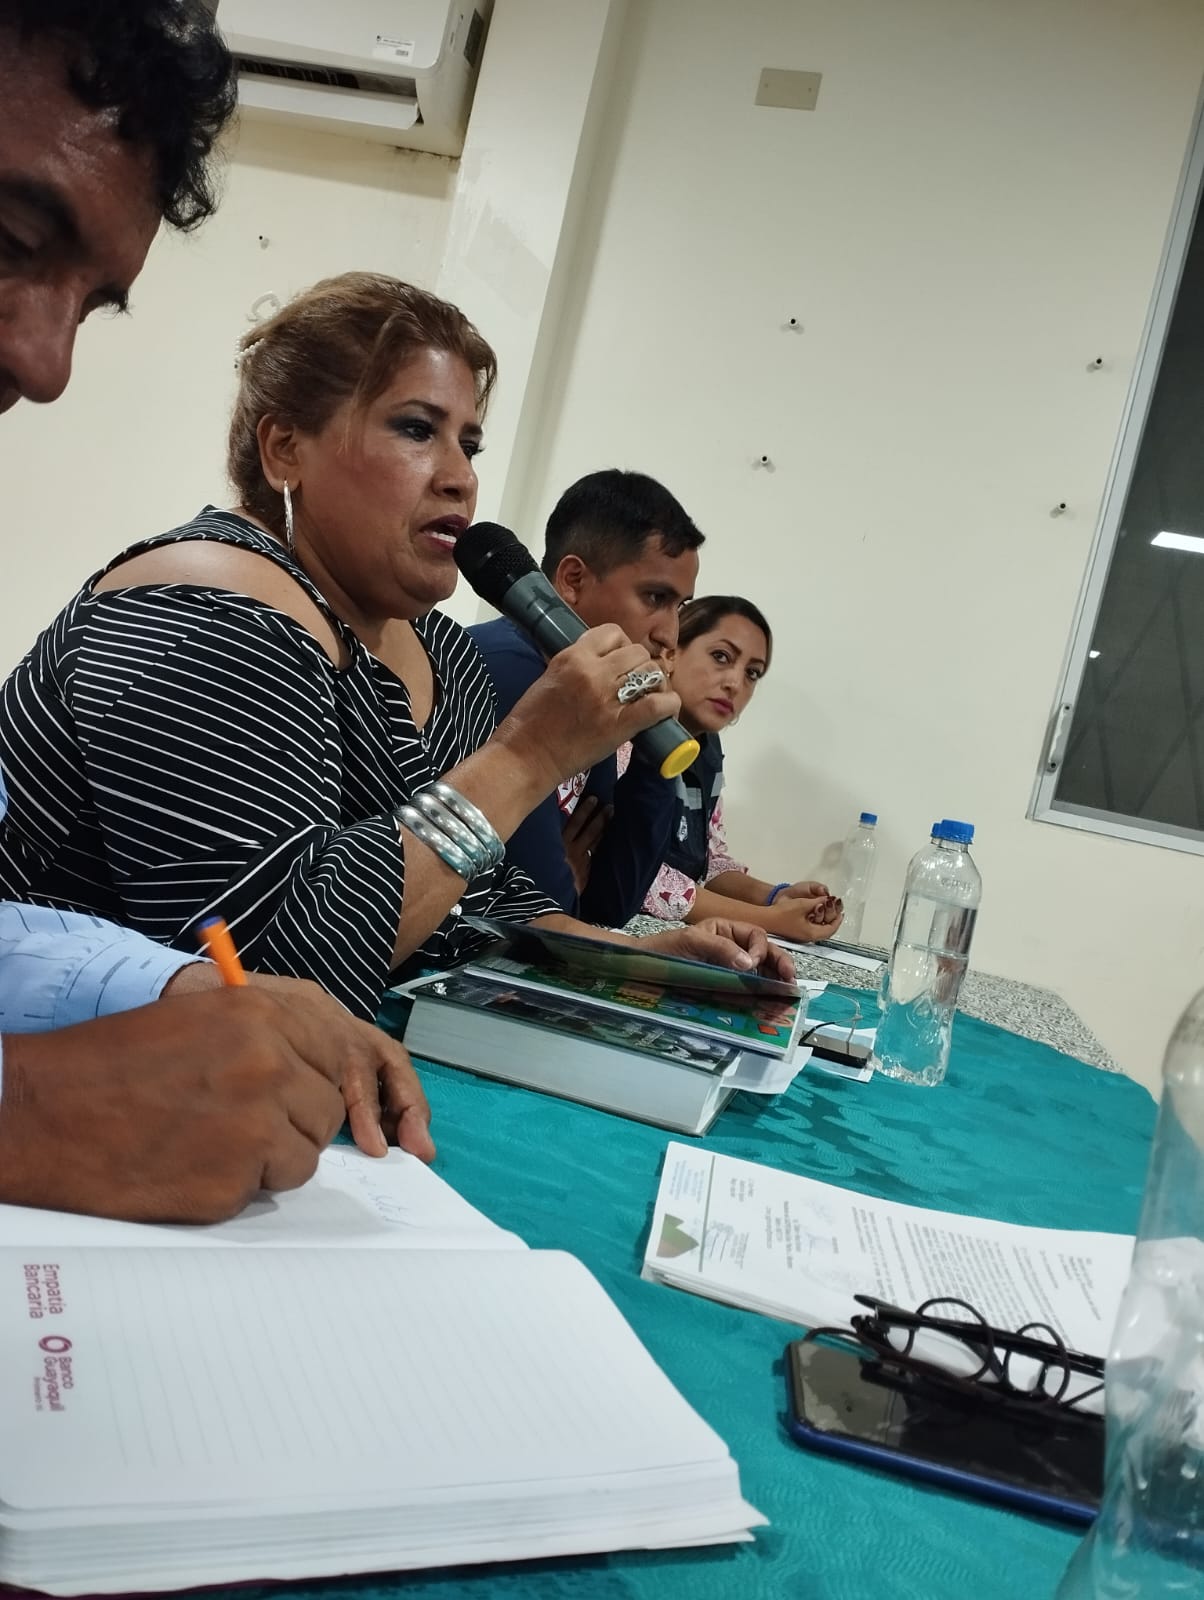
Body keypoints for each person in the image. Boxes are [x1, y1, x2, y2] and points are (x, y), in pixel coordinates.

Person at [0, 273, 792, 1030]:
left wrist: (634, 962)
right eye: (416, 429)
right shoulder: (203, 607)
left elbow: (476, 900)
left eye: (469, 444)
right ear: (285, 448)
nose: (460, 479)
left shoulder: (441, 653)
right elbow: (268, 975)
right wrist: (528, 757)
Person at [0, 0, 432, 1222]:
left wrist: (164, 988)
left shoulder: (415, 651)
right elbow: (301, 939)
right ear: (282, 449)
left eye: (92, 306)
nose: (47, 366)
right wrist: (30, 1110)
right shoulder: (211, 602)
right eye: (9, 239)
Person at [470, 470, 703, 923]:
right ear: (573, 580)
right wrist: (565, 887)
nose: (670, 635)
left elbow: (610, 905)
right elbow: (540, 918)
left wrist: (652, 749)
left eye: (681, 606)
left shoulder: (597, 690)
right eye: (655, 597)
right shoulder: (506, 668)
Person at [637, 597, 845, 943]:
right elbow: (641, 876)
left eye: (752, 673)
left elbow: (709, 861)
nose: (735, 683)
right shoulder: (628, 731)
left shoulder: (707, 749)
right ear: (673, 652)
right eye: (721, 657)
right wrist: (770, 920)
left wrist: (776, 896)